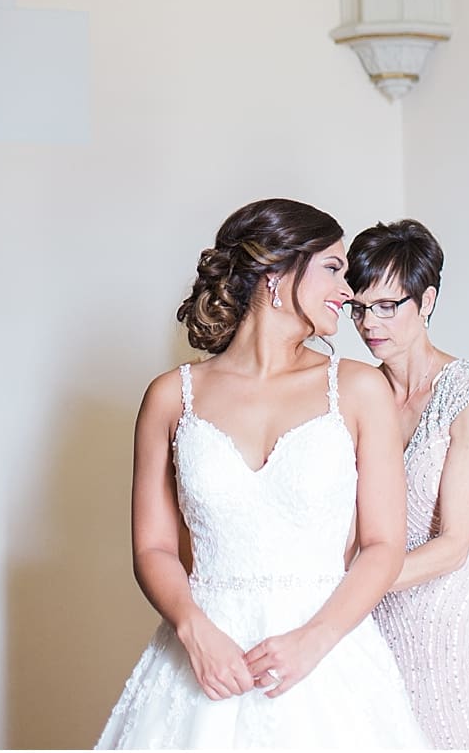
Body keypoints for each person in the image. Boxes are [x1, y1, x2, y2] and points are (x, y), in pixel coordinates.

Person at [94, 199, 426, 749]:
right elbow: (152, 547)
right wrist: (193, 630)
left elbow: (384, 544)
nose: (349, 292)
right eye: (333, 268)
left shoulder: (361, 389)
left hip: (326, 658)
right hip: (204, 657)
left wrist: (314, 641)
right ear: (276, 270)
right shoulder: (170, 397)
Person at [347, 220, 469, 748]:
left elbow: (455, 545)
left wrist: (343, 592)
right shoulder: (357, 395)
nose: (370, 323)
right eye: (360, 307)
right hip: (384, 620)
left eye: (388, 305)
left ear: (427, 300)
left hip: (468, 618)